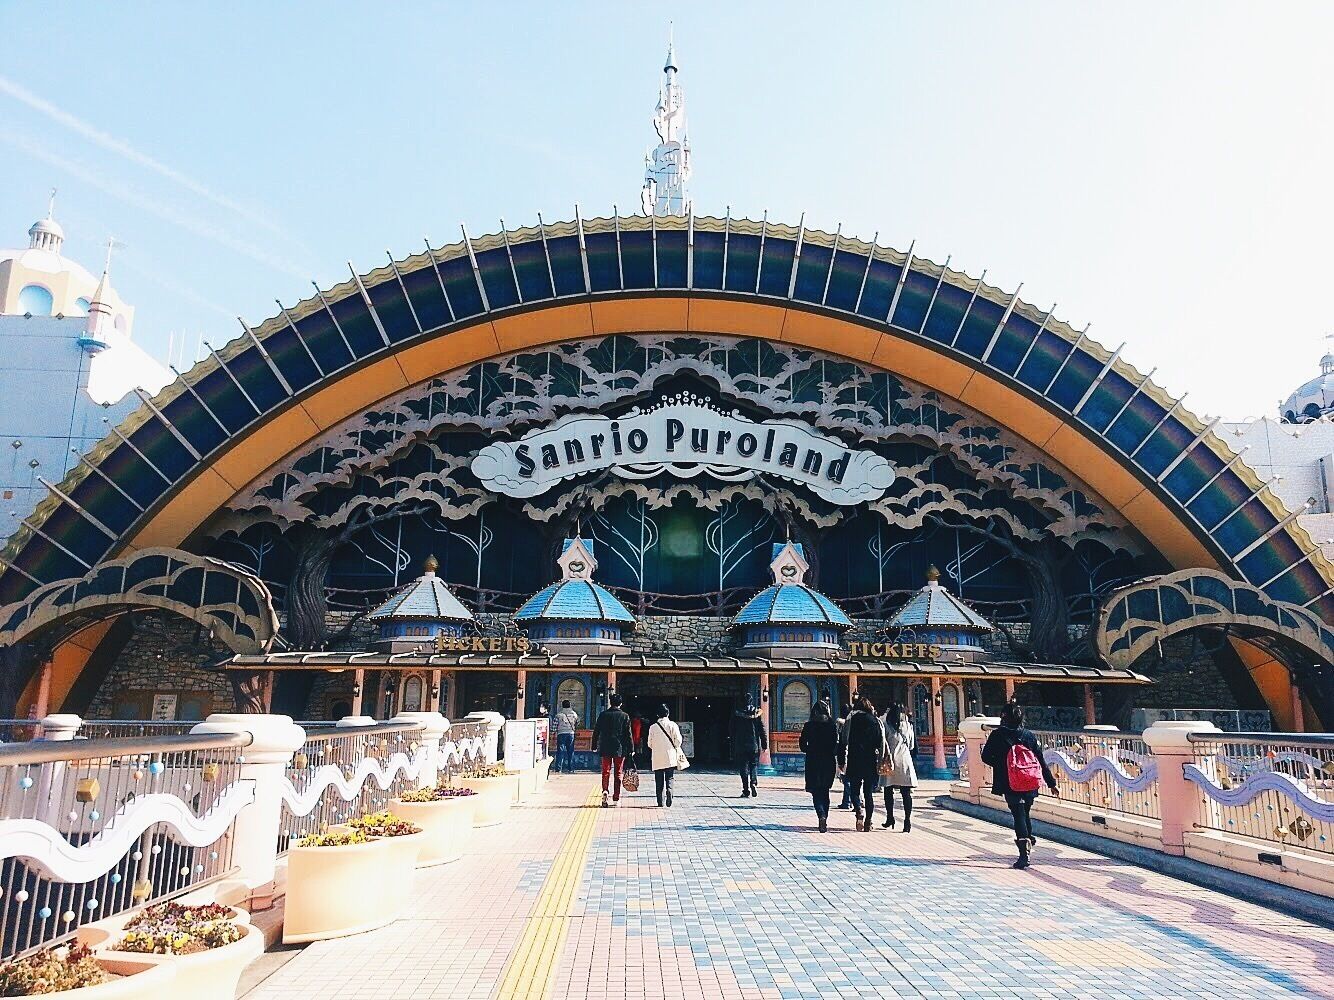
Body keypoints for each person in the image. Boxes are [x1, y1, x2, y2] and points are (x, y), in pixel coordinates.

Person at [980, 701, 1058, 869]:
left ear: (1003, 717)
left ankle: (1024, 854)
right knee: (1025, 812)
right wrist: (1051, 783)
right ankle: (1028, 838)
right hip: (1030, 780)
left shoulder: (997, 735)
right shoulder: (1029, 735)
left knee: (1018, 814)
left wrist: (1002, 765)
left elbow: (985, 757)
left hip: (1009, 781)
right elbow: (1040, 760)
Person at [839, 694, 885, 831]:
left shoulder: (851, 720)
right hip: (870, 759)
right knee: (868, 793)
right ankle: (869, 822)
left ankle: (859, 810)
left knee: (854, 789)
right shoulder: (875, 721)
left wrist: (841, 760)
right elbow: (880, 742)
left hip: (854, 758)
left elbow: (843, 740)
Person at [799, 700, 839, 832]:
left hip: (813, 761)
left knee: (816, 791)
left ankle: (821, 814)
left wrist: (810, 749)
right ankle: (824, 817)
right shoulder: (832, 726)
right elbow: (836, 745)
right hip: (828, 761)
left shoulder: (809, 726)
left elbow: (802, 745)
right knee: (825, 790)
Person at [879, 703, 917, 831]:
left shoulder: (885, 724)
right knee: (906, 793)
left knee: (888, 790)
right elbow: (911, 745)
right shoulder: (907, 725)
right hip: (904, 760)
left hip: (889, 760)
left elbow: (882, 743)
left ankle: (890, 817)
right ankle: (907, 821)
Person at [591, 692, 634, 807]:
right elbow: (628, 734)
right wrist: (631, 748)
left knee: (606, 771)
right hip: (619, 748)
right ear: (620, 703)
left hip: (605, 747)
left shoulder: (603, 715)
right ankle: (616, 798)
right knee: (618, 772)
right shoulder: (625, 716)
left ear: (611, 702)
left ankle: (605, 791)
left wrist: (594, 745)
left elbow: (596, 731)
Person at [646, 704, 683, 807]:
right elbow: (678, 741)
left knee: (659, 779)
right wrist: (674, 746)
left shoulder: (653, 727)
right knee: (670, 777)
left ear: (657, 714)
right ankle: (669, 790)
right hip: (670, 756)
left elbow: (649, 744)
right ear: (668, 713)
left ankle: (660, 801)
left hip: (657, 757)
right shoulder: (673, 725)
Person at [729, 702, 767, 797]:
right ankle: (753, 782)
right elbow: (762, 731)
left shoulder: (737, 714)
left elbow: (731, 730)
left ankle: (746, 790)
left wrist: (733, 742)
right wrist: (764, 744)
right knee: (753, 765)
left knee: (743, 767)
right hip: (753, 745)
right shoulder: (756, 714)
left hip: (741, 745)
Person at [835, 708, 856, 811]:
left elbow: (841, 742)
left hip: (846, 754)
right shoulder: (854, 723)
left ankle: (854, 801)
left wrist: (840, 760)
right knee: (849, 779)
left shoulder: (842, 725)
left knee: (846, 779)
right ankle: (846, 801)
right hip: (855, 755)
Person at [554, 699, 579, 774]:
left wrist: (554, 732)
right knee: (570, 751)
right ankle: (571, 768)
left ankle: (558, 768)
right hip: (571, 733)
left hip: (561, 733)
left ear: (562, 706)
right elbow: (577, 722)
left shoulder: (559, 715)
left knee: (560, 751)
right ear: (570, 705)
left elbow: (554, 726)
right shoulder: (574, 714)